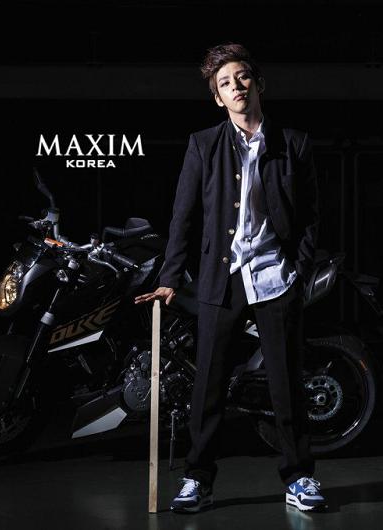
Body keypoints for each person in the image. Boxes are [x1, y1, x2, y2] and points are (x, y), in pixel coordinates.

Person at [134, 43, 327, 513]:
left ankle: (299, 477)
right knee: (209, 386)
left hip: (275, 275)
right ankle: (197, 479)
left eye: (242, 77)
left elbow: (311, 218)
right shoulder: (203, 144)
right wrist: (170, 276)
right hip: (223, 278)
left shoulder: (294, 143)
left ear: (258, 83)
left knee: (286, 384)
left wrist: (299, 272)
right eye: (224, 83)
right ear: (217, 98)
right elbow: (183, 215)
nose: (235, 86)